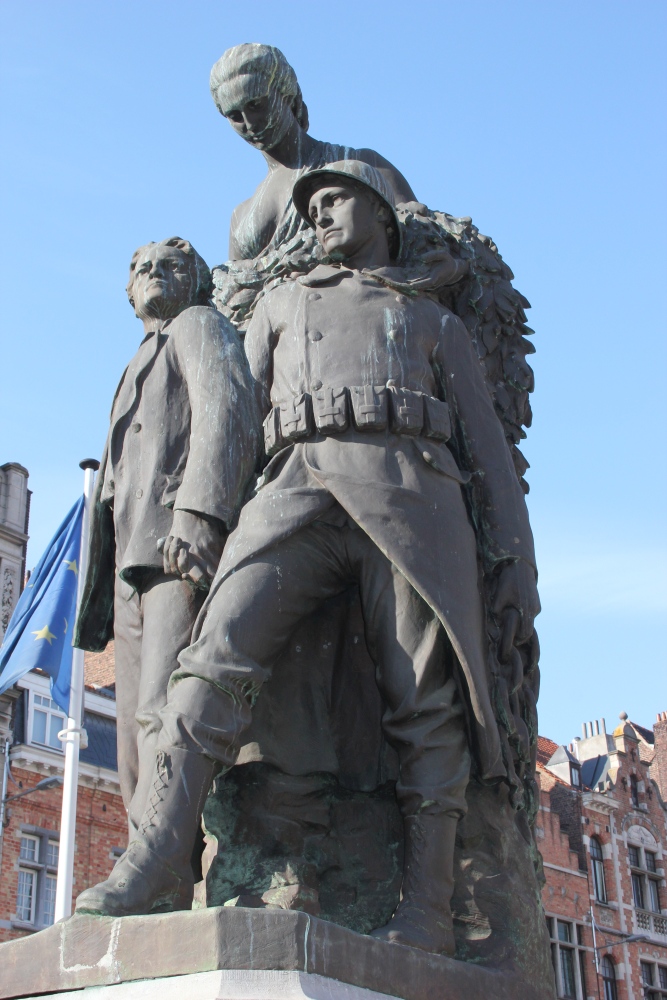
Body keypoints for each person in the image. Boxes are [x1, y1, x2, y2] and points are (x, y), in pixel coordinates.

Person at [75, 165, 539, 958]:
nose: (319, 213)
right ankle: (157, 854)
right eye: (311, 205)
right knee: (211, 660)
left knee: (424, 705)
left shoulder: (432, 323)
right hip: (293, 485)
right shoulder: (284, 306)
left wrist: (514, 569)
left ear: (380, 216)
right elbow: (236, 422)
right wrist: (206, 517)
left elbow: (489, 456)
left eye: (336, 200)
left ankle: (425, 908)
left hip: (412, 504)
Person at [74, 237, 260, 841]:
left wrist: (200, 514)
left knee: (164, 705)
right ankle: (145, 850)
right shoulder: (134, 362)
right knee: (131, 723)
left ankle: (166, 851)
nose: (154, 274)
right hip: (131, 562)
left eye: (171, 266)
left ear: (197, 281)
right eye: (142, 269)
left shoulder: (200, 326)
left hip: (175, 548)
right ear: (129, 292)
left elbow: (224, 409)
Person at [210, 43, 415, 261]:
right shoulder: (240, 217)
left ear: (286, 95)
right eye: (234, 116)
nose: (249, 123)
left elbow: (420, 237)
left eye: (256, 104)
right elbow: (232, 291)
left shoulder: (362, 163)